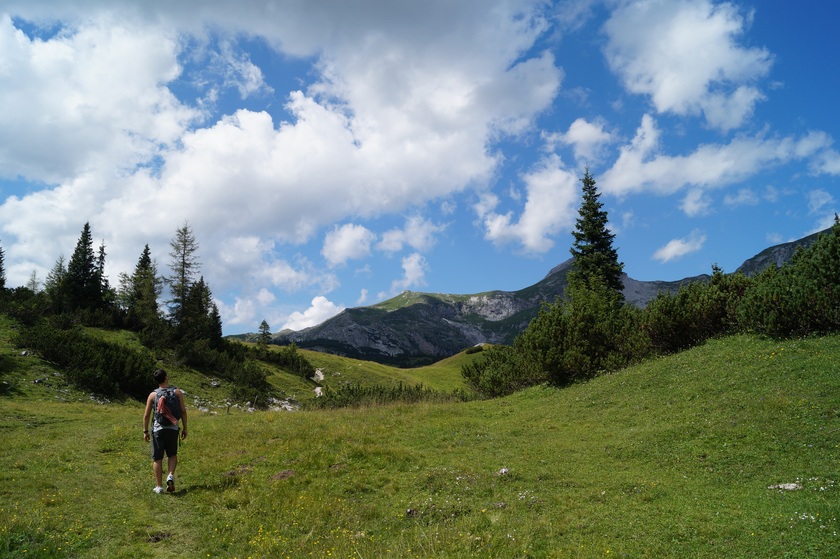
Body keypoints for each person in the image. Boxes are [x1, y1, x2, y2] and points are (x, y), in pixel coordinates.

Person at [143, 368, 188, 494]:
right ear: (166, 377)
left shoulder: (153, 395)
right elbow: (183, 411)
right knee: (172, 454)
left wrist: (145, 431)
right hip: (173, 428)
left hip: (158, 429)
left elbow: (146, 415)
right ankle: (170, 475)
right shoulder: (177, 392)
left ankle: (159, 487)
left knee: (157, 458)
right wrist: (185, 428)